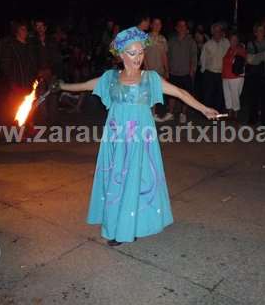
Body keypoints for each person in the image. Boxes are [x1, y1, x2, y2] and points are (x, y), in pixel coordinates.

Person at [52, 26, 219, 246]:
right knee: (117, 179)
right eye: (133, 53)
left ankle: (126, 227)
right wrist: (62, 85)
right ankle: (116, 223)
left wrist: (204, 108)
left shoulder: (150, 78)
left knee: (136, 179)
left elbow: (180, 92)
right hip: (116, 138)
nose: (138, 58)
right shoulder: (110, 78)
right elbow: (85, 85)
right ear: (121, 55)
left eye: (141, 52)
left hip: (140, 139)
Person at [162, 19, 198, 123]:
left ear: (186, 29)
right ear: (176, 28)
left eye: (184, 26)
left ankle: (183, 114)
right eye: (180, 26)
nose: (182, 28)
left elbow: (194, 57)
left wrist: (192, 70)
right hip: (173, 72)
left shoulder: (191, 41)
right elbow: (167, 56)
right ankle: (171, 113)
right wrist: (166, 70)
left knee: (186, 95)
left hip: (186, 73)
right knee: (171, 95)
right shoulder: (171, 40)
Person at [200, 22, 230, 112]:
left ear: (222, 32)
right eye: (216, 31)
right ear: (212, 32)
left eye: (219, 31)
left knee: (220, 94)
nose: (218, 33)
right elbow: (203, 58)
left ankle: (218, 113)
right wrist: (203, 71)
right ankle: (207, 112)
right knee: (208, 94)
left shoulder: (226, 42)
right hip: (210, 73)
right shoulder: (207, 44)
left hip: (222, 73)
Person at [246, 23, 265, 125]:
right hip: (254, 75)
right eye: (259, 30)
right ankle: (253, 119)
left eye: (262, 30)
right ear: (255, 32)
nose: (261, 32)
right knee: (254, 99)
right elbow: (250, 60)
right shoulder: (251, 43)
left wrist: (257, 56)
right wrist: (264, 54)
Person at [144, 18, 169, 121]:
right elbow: (143, 55)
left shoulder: (163, 39)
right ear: (151, 25)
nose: (157, 26)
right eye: (155, 24)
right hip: (149, 70)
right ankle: (148, 115)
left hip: (159, 71)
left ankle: (153, 114)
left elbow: (164, 56)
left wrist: (167, 70)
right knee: (147, 93)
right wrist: (147, 68)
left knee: (155, 93)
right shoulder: (146, 37)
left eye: (159, 24)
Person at [222, 33, 247, 120]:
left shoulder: (240, 49)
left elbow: (242, 62)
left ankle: (235, 114)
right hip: (225, 76)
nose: (233, 41)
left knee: (235, 95)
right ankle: (229, 112)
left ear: (238, 41)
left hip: (235, 77)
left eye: (235, 39)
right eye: (232, 39)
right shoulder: (228, 49)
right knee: (227, 95)